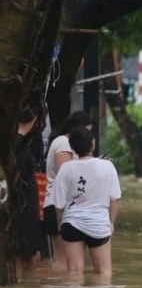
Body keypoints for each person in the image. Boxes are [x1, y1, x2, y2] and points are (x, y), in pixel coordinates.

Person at [47, 127, 120, 278]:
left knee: (74, 272)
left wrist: (61, 224)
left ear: (73, 148)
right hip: (98, 224)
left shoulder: (66, 169)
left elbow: (59, 204)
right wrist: (111, 223)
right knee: (104, 272)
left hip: (71, 223)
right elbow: (115, 198)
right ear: (93, 144)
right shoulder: (107, 166)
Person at [43, 110, 92, 272]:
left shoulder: (65, 142)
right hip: (58, 205)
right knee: (62, 261)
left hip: (66, 206)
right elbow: (66, 175)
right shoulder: (64, 143)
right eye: (87, 130)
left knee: (67, 261)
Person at [14, 108, 42, 276]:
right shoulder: (19, 147)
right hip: (23, 208)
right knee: (25, 257)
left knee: (29, 256)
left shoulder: (19, 144)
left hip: (27, 207)